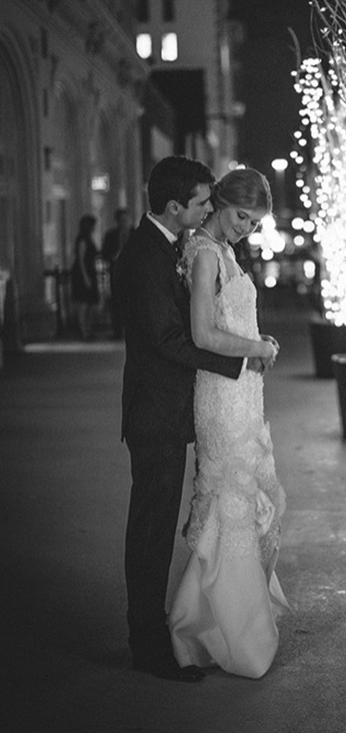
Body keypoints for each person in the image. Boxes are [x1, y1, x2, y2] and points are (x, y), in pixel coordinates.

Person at [113, 156, 273, 683]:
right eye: (204, 201)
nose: (210, 207)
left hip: (177, 406)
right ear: (175, 205)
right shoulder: (144, 256)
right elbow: (170, 339)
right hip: (154, 413)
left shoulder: (175, 248)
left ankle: (175, 627)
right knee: (151, 531)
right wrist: (242, 357)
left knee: (160, 527)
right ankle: (150, 643)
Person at [169, 168, 289, 679]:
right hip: (220, 395)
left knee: (247, 494)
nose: (246, 228)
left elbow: (235, 321)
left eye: (255, 222)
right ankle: (225, 631)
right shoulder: (202, 255)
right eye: (242, 217)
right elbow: (202, 334)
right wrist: (257, 348)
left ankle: (218, 622)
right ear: (218, 202)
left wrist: (261, 347)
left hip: (244, 390)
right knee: (230, 502)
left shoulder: (227, 252)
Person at [102, 208, 133, 338]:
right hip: (116, 271)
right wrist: (112, 256)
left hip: (133, 273)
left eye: (125, 220)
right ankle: (117, 331)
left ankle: (132, 330)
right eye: (121, 220)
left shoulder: (135, 233)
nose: (123, 223)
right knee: (116, 302)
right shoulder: (111, 235)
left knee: (132, 301)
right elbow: (105, 252)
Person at [70, 214, 100, 340]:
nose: (95, 227)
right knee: (83, 303)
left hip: (89, 271)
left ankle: (87, 329)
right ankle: (83, 331)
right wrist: (86, 277)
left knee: (90, 302)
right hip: (83, 273)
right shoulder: (82, 239)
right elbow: (81, 260)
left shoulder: (88, 238)